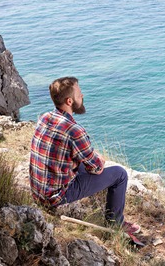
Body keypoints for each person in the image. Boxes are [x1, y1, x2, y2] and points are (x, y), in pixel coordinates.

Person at [29, 76, 140, 234]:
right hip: (57, 196)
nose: (82, 96)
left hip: (38, 192)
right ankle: (116, 223)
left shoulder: (44, 118)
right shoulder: (74, 130)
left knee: (82, 163)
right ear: (69, 101)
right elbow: (96, 168)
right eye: (79, 93)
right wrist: (98, 159)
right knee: (119, 174)